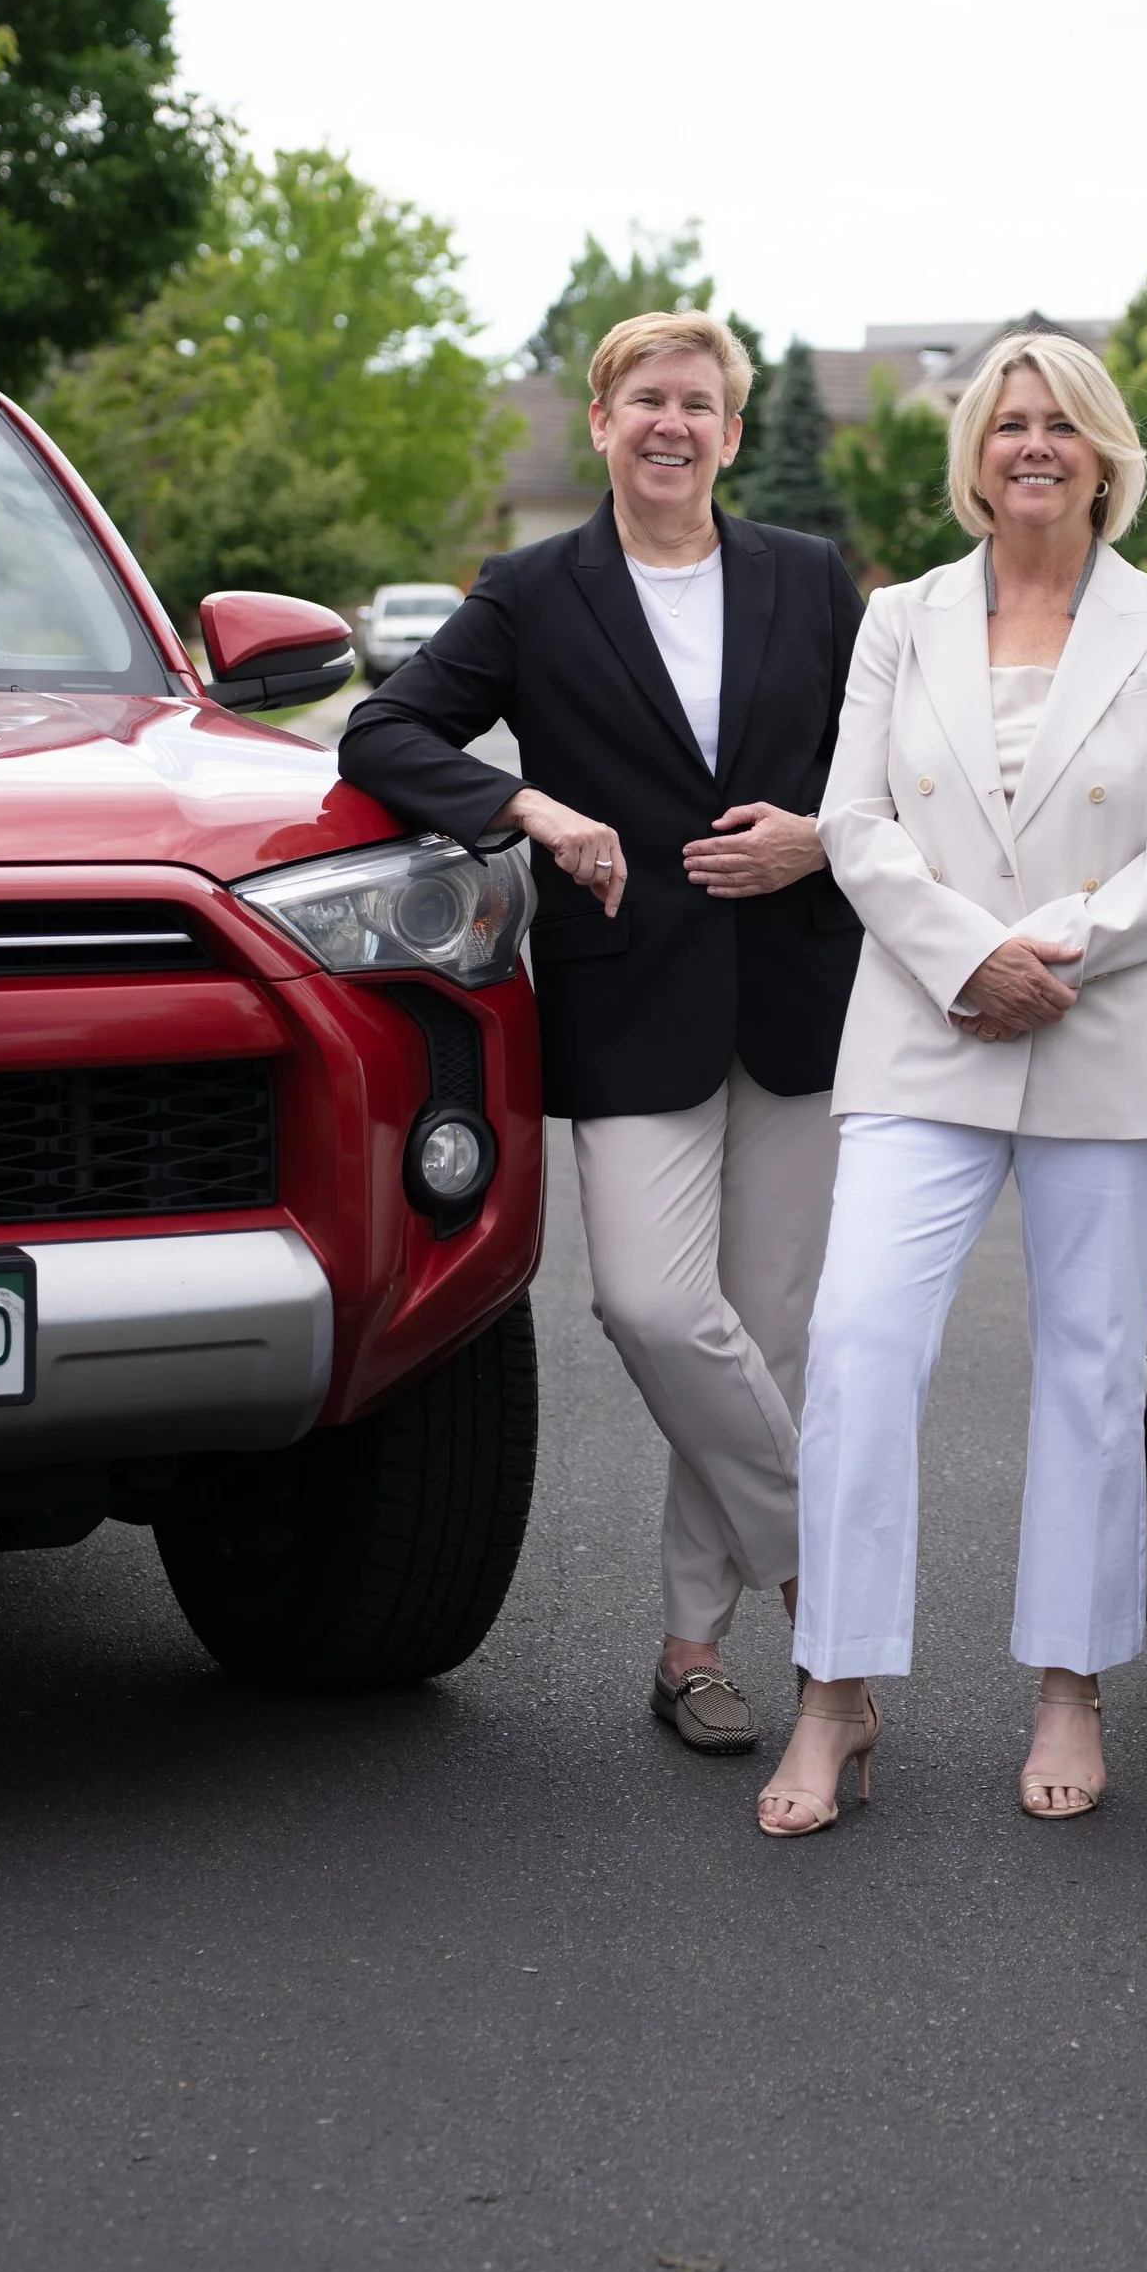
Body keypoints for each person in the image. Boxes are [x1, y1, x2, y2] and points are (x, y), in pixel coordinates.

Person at [339, 311, 863, 1754]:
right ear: (601, 421)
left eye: (699, 401)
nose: (672, 423)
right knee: (649, 1305)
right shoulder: (533, 589)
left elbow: (902, 761)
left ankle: (695, 1647)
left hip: (801, 1000)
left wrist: (819, 840)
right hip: (628, 995)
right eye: (647, 398)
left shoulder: (811, 581)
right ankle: (833, 1588)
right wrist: (533, 808)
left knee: (756, 1335)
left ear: (734, 432)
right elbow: (382, 732)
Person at [756, 330, 1147, 1837]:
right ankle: (835, 1689)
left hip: (1113, 1027)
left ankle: (1070, 1682)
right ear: (975, 454)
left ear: (1105, 454)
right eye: (1009, 423)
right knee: (856, 1341)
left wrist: (1058, 946)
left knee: (1091, 1366)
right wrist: (973, 960)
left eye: (1062, 425)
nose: (1035, 444)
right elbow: (854, 818)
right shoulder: (899, 621)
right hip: (928, 1023)